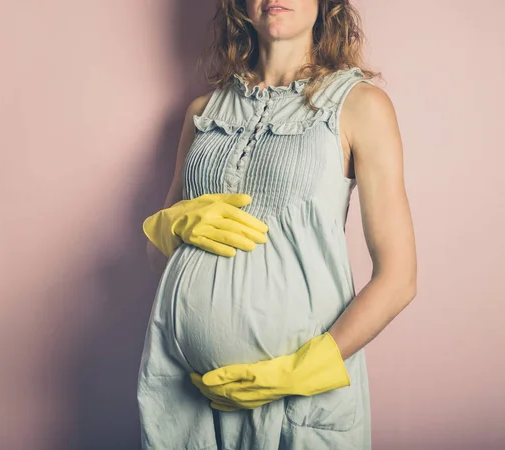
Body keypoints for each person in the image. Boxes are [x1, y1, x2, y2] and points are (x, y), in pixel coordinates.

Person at [137, 0, 417, 448]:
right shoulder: (202, 112)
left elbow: (399, 279)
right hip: (186, 395)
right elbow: (160, 261)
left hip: (297, 407)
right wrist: (168, 226)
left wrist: (300, 371)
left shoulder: (361, 106)